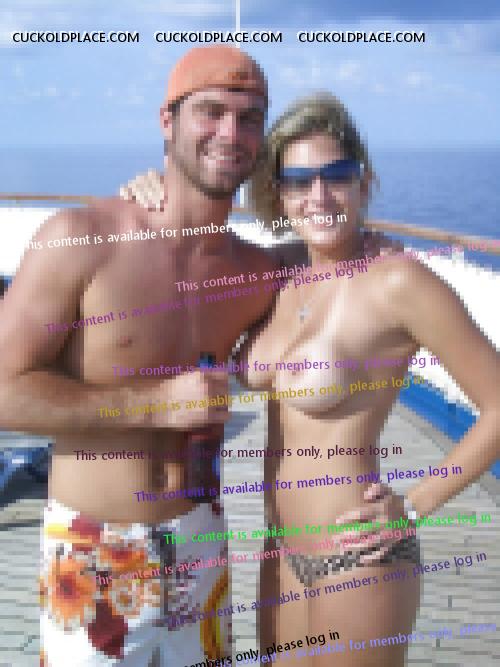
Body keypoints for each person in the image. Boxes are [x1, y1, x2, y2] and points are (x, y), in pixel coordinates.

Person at [0, 45, 276, 666]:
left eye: (250, 118)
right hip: (93, 548)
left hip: (202, 542)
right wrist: (154, 405)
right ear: (167, 121)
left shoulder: (256, 272)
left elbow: (336, 271)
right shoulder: (80, 240)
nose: (231, 132)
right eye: (211, 111)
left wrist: (368, 242)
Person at [238, 93, 500, 667]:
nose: (318, 196)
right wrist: (147, 192)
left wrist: (415, 504)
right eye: (298, 181)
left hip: (359, 557)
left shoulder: (398, 283)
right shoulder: (278, 271)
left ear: (364, 181)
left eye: (336, 175)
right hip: (280, 552)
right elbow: (185, 254)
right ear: (278, 193)